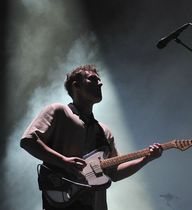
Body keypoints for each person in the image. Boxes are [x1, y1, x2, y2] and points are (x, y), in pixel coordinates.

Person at [20, 64, 163, 210]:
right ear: (76, 86)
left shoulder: (104, 131)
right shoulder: (59, 111)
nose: (100, 83)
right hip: (62, 198)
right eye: (93, 79)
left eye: (99, 80)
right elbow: (28, 141)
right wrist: (63, 161)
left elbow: (114, 172)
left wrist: (146, 159)